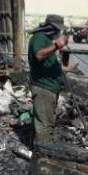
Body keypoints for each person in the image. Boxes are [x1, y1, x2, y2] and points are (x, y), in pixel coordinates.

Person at [28, 14, 72, 145]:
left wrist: (65, 68)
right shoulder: (39, 38)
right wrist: (58, 44)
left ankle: (36, 148)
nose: (59, 33)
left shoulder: (46, 40)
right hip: (43, 87)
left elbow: (48, 63)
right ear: (52, 28)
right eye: (58, 30)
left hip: (50, 87)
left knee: (46, 120)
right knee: (45, 124)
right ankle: (43, 152)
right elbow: (39, 55)